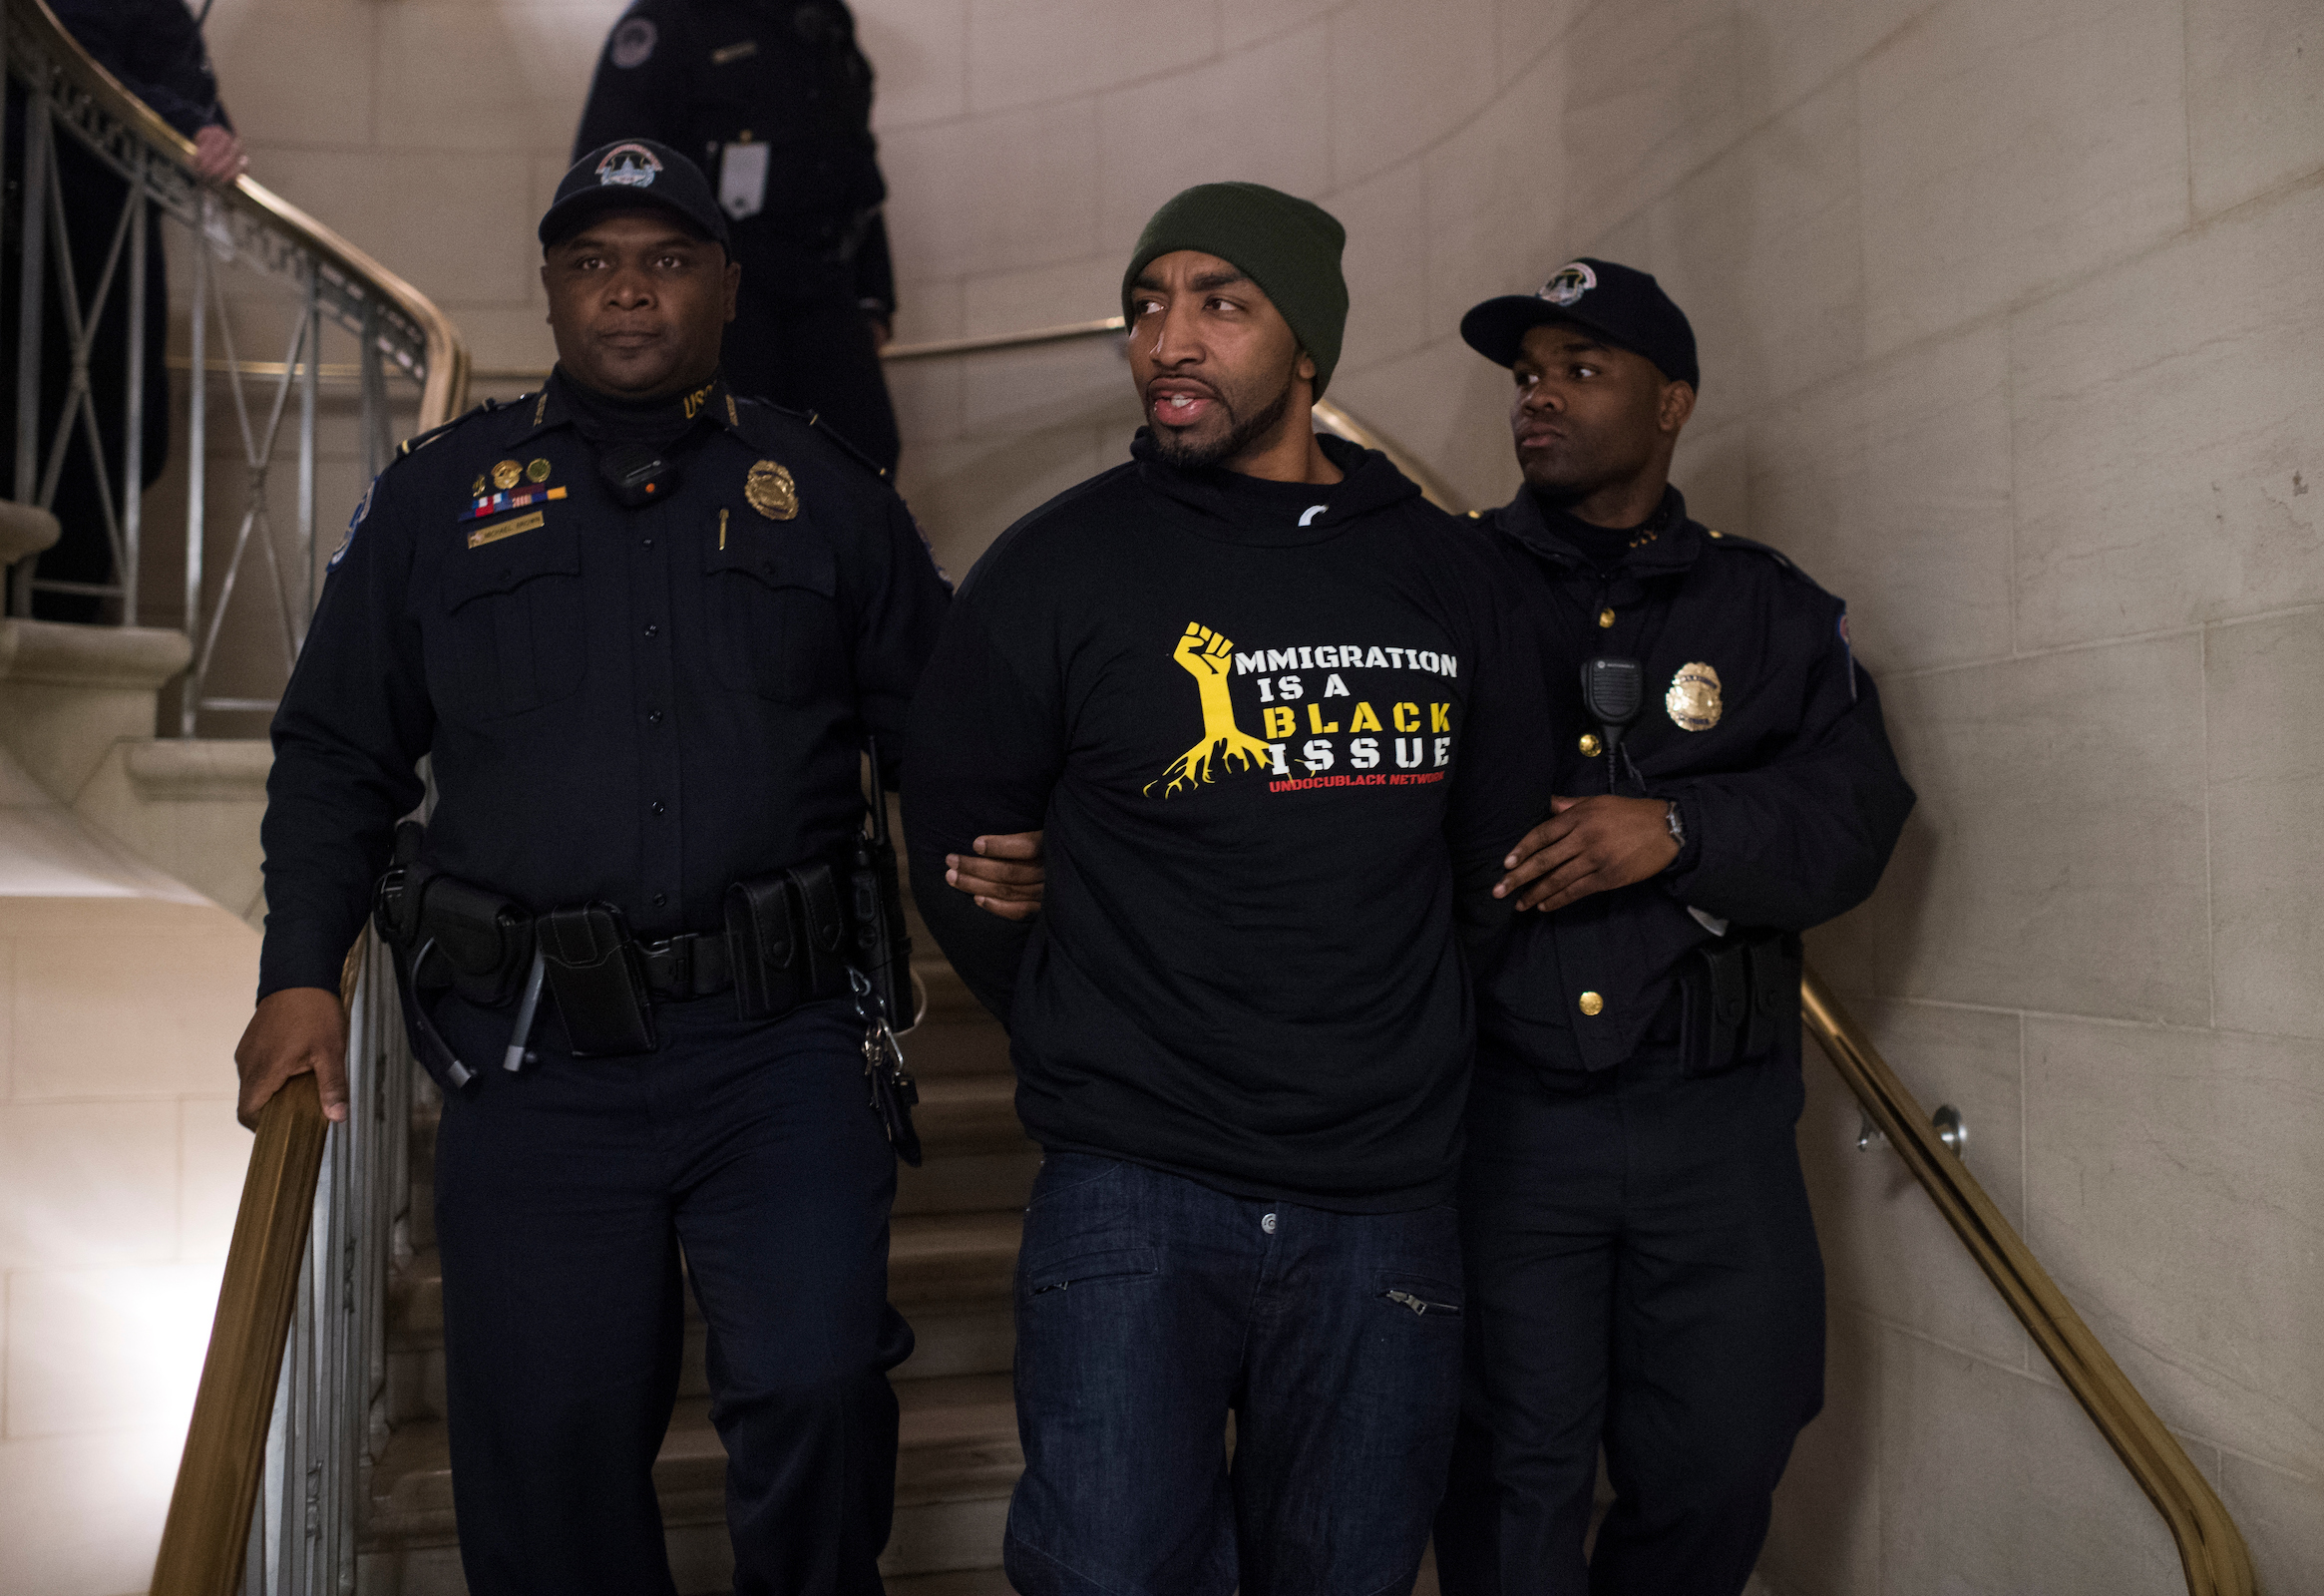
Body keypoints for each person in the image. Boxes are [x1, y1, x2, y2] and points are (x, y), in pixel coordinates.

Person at [232, 141, 951, 1596]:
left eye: (669, 260)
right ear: (552, 293)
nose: (630, 292)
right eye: (594, 263)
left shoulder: (824, 494)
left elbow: (953, 744)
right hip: (536, 1059)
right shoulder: (442, 500)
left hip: (785, 1053)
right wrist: (300, 972)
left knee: (817, 1390)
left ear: (728, 287)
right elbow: (333, 757)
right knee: (547, 1449)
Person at [901, 182, 1548, 1596]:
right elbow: (955, 834)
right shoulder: (1060, 564)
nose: (1168, 340)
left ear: (1307, 350)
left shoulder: (1448, 574)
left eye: (1220, 303)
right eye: (1148, 305)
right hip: (1136, 1178)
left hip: (1382, 1195)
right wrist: (1086, 986)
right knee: (1106, 1573)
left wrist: (1389, 1020)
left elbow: (1497, 862)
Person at [1429, 259, 1915, 1595]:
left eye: (1582, 370)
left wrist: (1684, 831)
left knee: (1726, 1449)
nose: (1540, 398)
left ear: (1672, 404)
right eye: (1529, 375)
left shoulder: (1766, 608)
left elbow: (1858, 814)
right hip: (1510, 1114)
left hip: (1719, 1118)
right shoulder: (1444, 585)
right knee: (1511, 1466)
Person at [574, 0, 903, 472]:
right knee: (727, 465)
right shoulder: (667, 22)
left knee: (865, 459)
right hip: (723, 294)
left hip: (825, 286)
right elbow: (611, 177)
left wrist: (874, 297)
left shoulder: (823, 17)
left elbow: (854, 166)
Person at [7, 0, 247, 621]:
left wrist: (206, 133)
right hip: (24, 256)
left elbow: (183, 98)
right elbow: (65, 64)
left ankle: (61, 620)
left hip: (102, 279)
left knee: (114, 448)